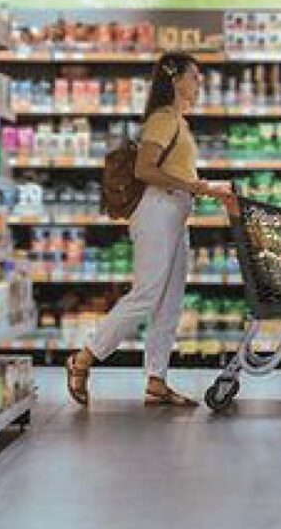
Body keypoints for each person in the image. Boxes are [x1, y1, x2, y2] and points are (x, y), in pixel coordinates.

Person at [66, 52, 236, 406]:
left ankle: (156, 380)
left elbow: (178, 173)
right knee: (145, 295)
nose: (199, 83)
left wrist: (206, 186)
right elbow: (145, 169)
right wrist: (200, 188)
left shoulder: (179, 120)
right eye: (195, 77)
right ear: (176, 80)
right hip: (157, 212)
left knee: (170, 303)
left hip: (174, 214)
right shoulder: (162, 119)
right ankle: (83, 359)